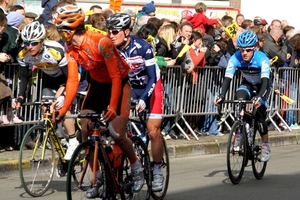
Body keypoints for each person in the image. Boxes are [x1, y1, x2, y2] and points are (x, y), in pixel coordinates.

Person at [54, 5, 144, 197]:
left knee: (116, 132)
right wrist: (62, 111)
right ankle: (98, 176)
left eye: (62, 30)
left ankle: (136, 168)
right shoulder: (69, 48)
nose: (60, 34)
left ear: (71, 31)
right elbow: (72, 80)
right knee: (86, 127)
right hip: (97, 85)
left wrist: (112, 106)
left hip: (119, 83)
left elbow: (116, 77)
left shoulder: (101, 42)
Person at [106, 13, 165, 192]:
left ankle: (157, 170)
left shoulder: (143, 47)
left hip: (151, 88)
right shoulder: (110, 48)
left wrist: (144, 99)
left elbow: (153, 77)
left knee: (153, 131)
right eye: (109, 31)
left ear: (126, 31)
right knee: (117, 131)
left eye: (115, 32)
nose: (111, 35)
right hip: (129, 89)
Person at [16, 21, 82, 161]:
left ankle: (73, 140)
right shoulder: (23, 54)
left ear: (42, 41)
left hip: (67, 78)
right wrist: (20, 97)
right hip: (49, 78)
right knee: (45, 108)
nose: (30, 46)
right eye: (27, 43)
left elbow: (69, 77)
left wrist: (63, 95)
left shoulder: (55, 51)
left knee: (62, 106)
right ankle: (58, 142)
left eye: (34, 43)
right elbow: (23, 77)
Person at [214, 30, 272, 162]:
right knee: (239, 98)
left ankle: (265, 145)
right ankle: (239, 133)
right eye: (241, 50)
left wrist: (260, 98)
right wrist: (221, 95)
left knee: (259, 114)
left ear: (255, 48)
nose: (244, 53)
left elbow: (265, 81)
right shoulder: (235, 57)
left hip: (263, 85)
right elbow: (227, 79)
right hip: (247, 84)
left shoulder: (262, 59)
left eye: (248, 50)